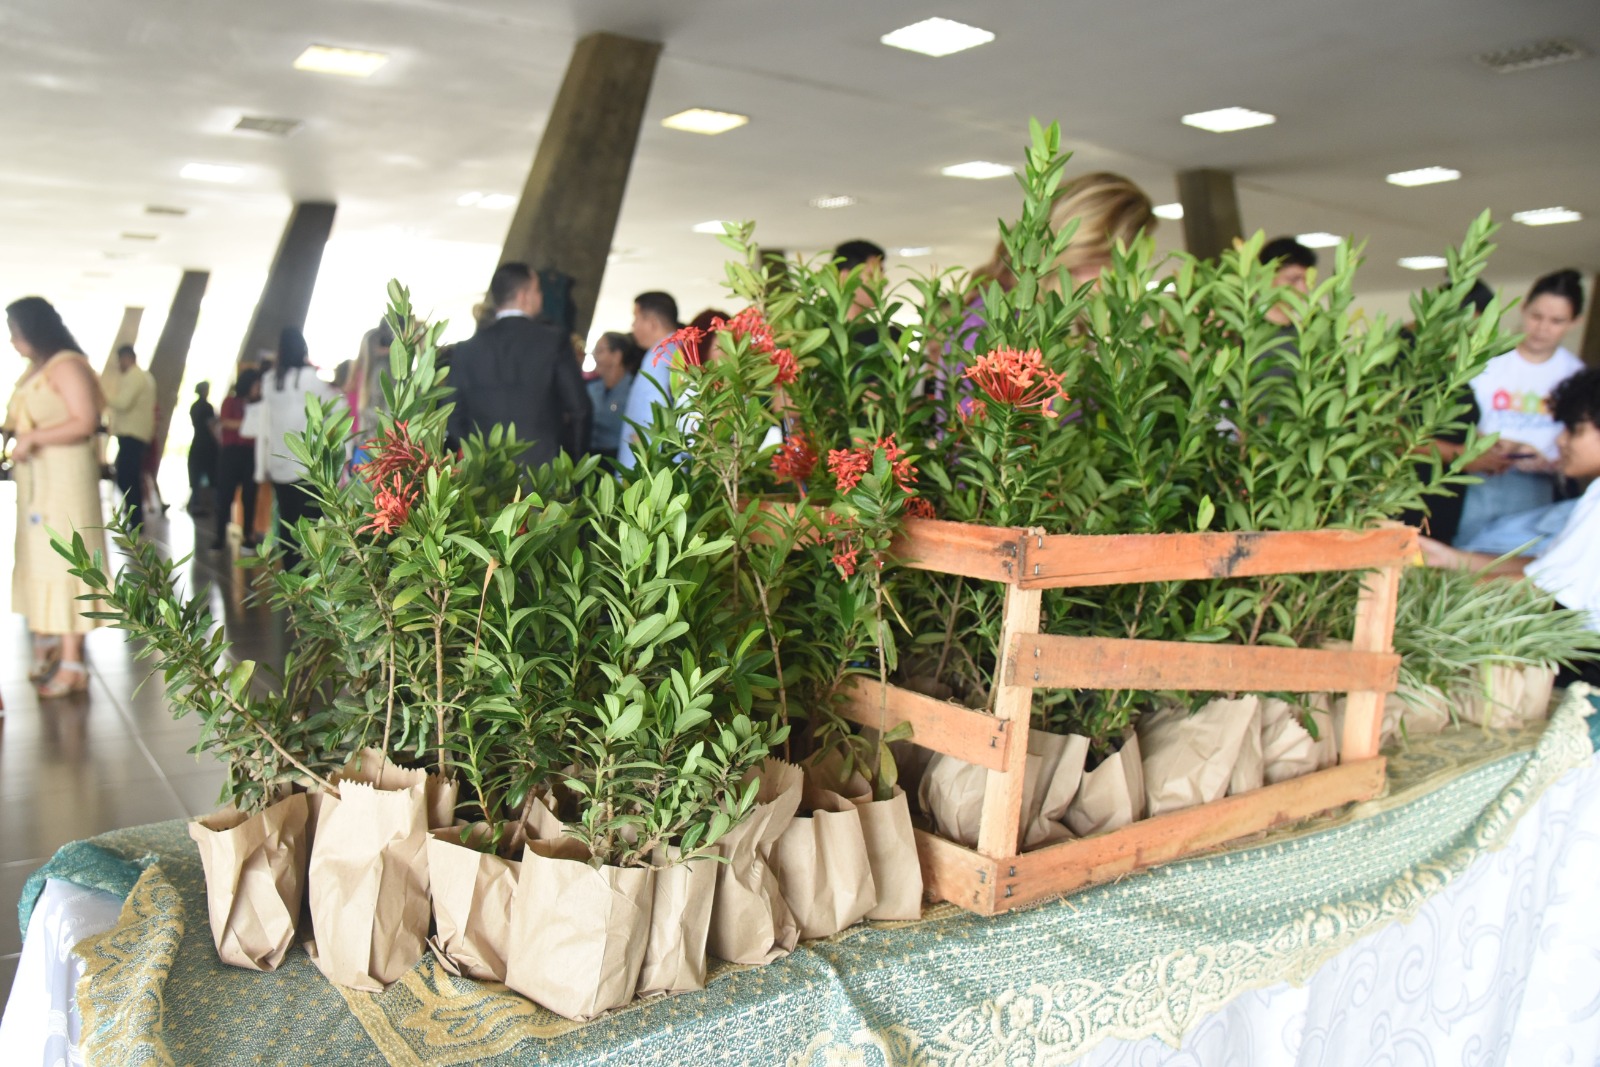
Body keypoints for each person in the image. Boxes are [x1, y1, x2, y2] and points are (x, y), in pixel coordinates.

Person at [1420, 367, 1600, 689]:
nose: (1561, 440)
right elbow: (1548, 570)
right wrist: (1450, 559)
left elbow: (1541, 588)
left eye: (1574, 430)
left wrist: (1429, 593)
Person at [4, 296, 106, 697]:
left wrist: (33, 438)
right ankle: (48, 640)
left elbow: (85, 421)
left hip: (65, 478)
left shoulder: (67, 365)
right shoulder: (36, 368)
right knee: (39, 557)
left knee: (67, 559)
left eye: (15, 332)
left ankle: (72, 661)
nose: (12, 341)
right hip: (38, 477)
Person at [1454, 269, 1586, 547]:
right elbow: (1456, 421)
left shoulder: (1576, 375)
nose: (1542, 328)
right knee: (1464, 553)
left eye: (1556, 321)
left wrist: (1551, 460)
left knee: (1523, 556)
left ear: (1575, 322)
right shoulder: (1486, 362)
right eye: (1536, 316)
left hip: (1540, 486)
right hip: (1479, 478)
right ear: (1523, 308)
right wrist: (1486, 442)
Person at [447, 262, 591, 472]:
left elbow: (453, 416)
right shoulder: (553, 341)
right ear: (524, 296)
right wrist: (574, 464)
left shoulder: (467, 350)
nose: (541, 296)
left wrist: (476, 459)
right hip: (545, 473)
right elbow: (580, 409)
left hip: (486, 475)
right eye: (538, 290)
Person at [255, 327, 340, 568]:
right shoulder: (309, 379)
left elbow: (265, 425)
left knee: (287, 522)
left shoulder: (269, 381)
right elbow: (335, 409)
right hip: (306, 463)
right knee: (312, 525)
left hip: (278, 462)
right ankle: (314, 576)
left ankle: (292, 575)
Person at [617, 290, 680, 469]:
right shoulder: (677, 348)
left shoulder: (660, 356)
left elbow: (654, 413)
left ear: (652, 323)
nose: (633, 325)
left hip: (649, 466)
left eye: (636, 318)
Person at [103, 343, 156, 530]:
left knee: (127, 478)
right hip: (133, 436)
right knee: (127, 477)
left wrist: (101, 397)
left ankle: (136, 521)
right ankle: (134, 518)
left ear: (127, 358)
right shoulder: (143, 377)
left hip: (133, 436)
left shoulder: (135, 377)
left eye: (120, 360)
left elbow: (123, 403)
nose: (119, 365)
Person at [212, 370, 261, 551]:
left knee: (250, 495)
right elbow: (225, 422)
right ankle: (219, 536)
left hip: (250, 453)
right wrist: (249, 424)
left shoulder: (259, 405)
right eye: (256, 385)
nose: (258, 389)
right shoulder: (230, 401)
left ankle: (248, 534)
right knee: (225, 496)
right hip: (231, 453)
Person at [586, 332, 641, 461]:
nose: (594, 355)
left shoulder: (634, 391)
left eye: (599, 351)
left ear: (617, 356)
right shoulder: (590, 389)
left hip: (619, 460)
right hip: (588, 458)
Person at [835, 240, 887, 320]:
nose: (883, 283)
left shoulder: (883, 328)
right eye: (872, 275)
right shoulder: (820, 326)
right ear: (846, 278)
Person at [187, 381, 217, 516]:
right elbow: (211, 426)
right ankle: (214, 505)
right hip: (207, 445)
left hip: (197, 442)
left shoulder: (194, 406)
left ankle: (196, 504)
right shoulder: (207, 407)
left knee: (196, 475)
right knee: (212, 475)